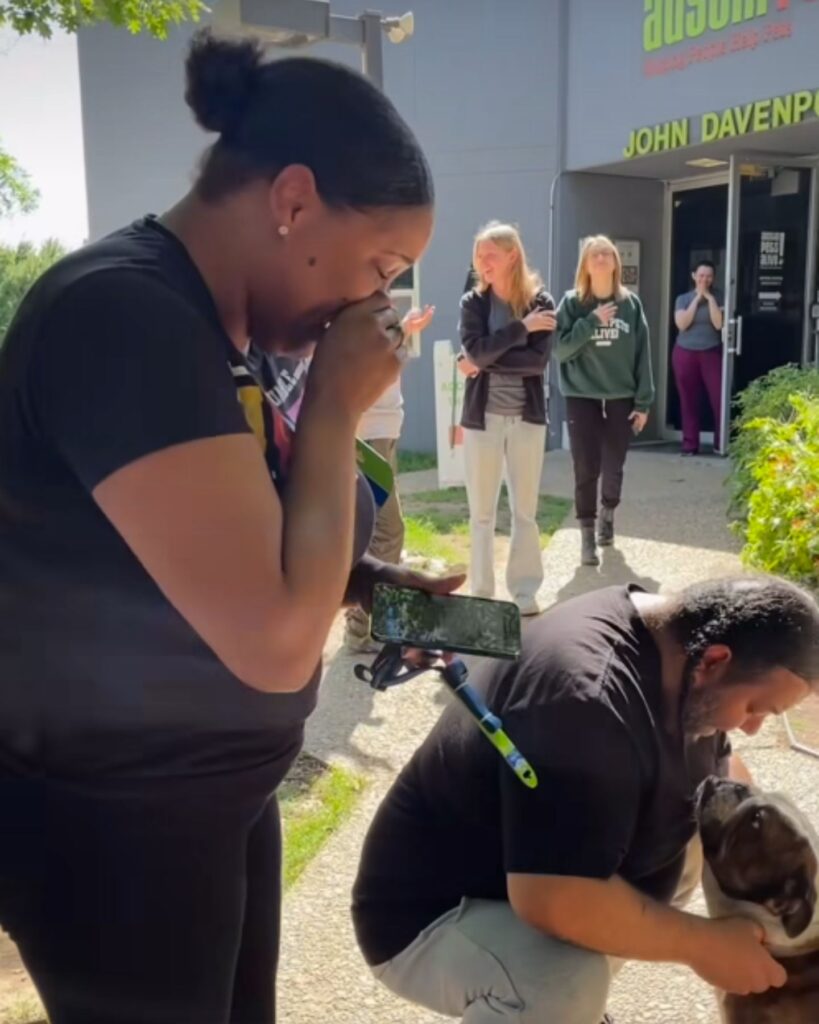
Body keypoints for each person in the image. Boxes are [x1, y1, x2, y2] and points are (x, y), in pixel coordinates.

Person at [0, 29, 465, 1024]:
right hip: (116, 831)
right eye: (382, 264)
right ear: (292, 200)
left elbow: (211, 558)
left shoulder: (214, 330)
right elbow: (269, 642)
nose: (379, 302)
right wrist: (338, 406)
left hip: (206, 801)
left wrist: (362, 585)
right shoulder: (124, 316)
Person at [352, 576, 819, 1024]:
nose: (752, 726)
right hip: (431, 915)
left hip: (533, 877)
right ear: (716, 661)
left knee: (708, 834)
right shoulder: (586, 699)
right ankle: (541, 1008)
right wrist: (706, 946)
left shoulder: (678, 643)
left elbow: (726, 780)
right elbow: (552, 901)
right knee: (560, 983)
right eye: (757, 708)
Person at [457, 222, 556, 616]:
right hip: (482, 420)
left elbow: (537, 362)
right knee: (481, 512)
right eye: (478, 256)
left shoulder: (542, 302)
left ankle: (525, 593)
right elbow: (475, 353)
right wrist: (521, 330)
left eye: (489, 255)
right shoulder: (472, 304)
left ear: (512, 254)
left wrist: (485, 356)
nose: (482, 263)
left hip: (526, 420)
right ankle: (481, 593)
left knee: (524, 512)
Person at [556, 235, 655, 568]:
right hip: (581, 396)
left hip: (620, 397)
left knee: (613, 465)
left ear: (615, 262)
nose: (599, 258)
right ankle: (586, 537)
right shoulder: (571, 304)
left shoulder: (631, 304)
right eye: (593, 254)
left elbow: (643, 355)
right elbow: (559, 349)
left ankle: (607, 516)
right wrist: (592, 322)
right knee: (586, 467)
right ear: (585, 264)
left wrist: (643, 402)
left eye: (606, 253)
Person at [344, 304, 436, 654]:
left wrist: (404, 329)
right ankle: (363, 625)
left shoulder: (376, 305)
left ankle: (365, 624)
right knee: (386, 528)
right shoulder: (351, 307)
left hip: (384, 427)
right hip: (368, 432)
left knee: (376, 528)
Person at [673, 260, 724, 456]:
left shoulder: (719, 297)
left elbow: (718, 324)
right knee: (688, 399)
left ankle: (721, 443)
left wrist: (709, 299)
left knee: (718, 398)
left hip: (711, 352)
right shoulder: (683, 299)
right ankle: (690, 444)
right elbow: (682, 324)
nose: (705, 279)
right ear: (694, 276)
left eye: (709, 276)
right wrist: (697, 298)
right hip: (685, 352)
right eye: (701, 275)